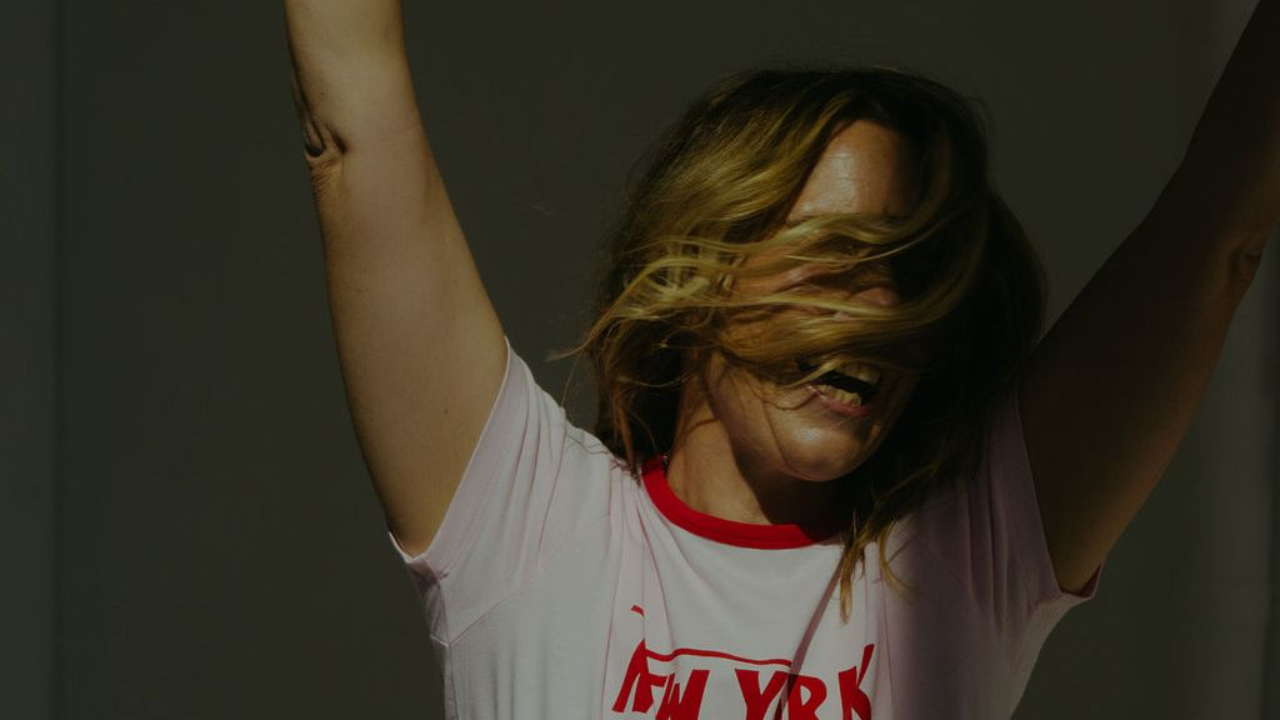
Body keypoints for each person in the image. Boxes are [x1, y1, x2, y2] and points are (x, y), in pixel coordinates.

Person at [283, 1, 1276, 717]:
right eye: (835, 261)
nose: (877, 313)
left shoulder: (972, 560)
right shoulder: (528, 529)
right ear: (700, 266)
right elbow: (351, 139)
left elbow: (1218, 237)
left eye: (911, 280)